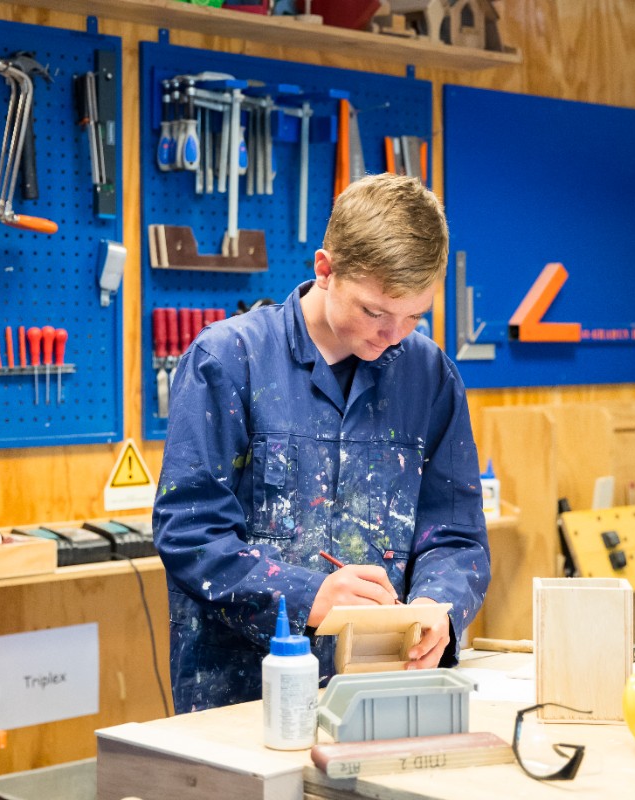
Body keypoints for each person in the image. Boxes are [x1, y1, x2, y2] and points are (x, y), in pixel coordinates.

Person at [153, 173, 490, 713]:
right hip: (242, 696)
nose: (393, 337)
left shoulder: (429, 377)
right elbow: (191, 533)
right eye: (374, 312)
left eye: (414, 317)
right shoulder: (229, 360)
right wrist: (307, 596)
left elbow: (455, 536)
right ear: (325, 271)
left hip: (384, 686)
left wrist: (437, 606)